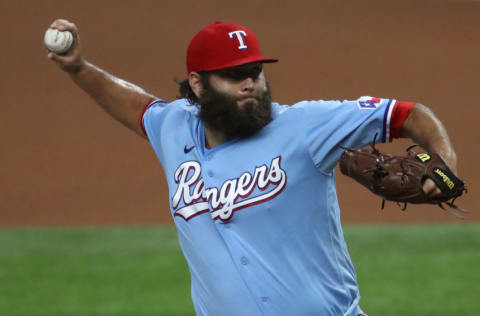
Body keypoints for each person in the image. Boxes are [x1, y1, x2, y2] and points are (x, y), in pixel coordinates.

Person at [47, 19, 458, 316]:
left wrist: (443, 163)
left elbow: (407, 114)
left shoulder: (305, 126)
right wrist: (80, 69)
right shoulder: (174, 127)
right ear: (197, 83)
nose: (249, 84)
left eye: (254, 72)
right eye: (233, 75)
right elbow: (135, 106)